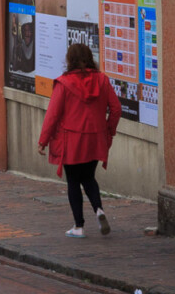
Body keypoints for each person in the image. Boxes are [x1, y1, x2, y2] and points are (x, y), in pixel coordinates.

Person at [38, 43, 122, 238]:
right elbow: (116, 109)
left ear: (70, 60)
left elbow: (53, 114)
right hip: (96, 138)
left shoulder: (64, 83)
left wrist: (43, 140)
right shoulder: (102, 80)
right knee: (89, 177)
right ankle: (99, 210)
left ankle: (79, 226)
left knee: (73, 181)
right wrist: (108, 130)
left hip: (72, 140)